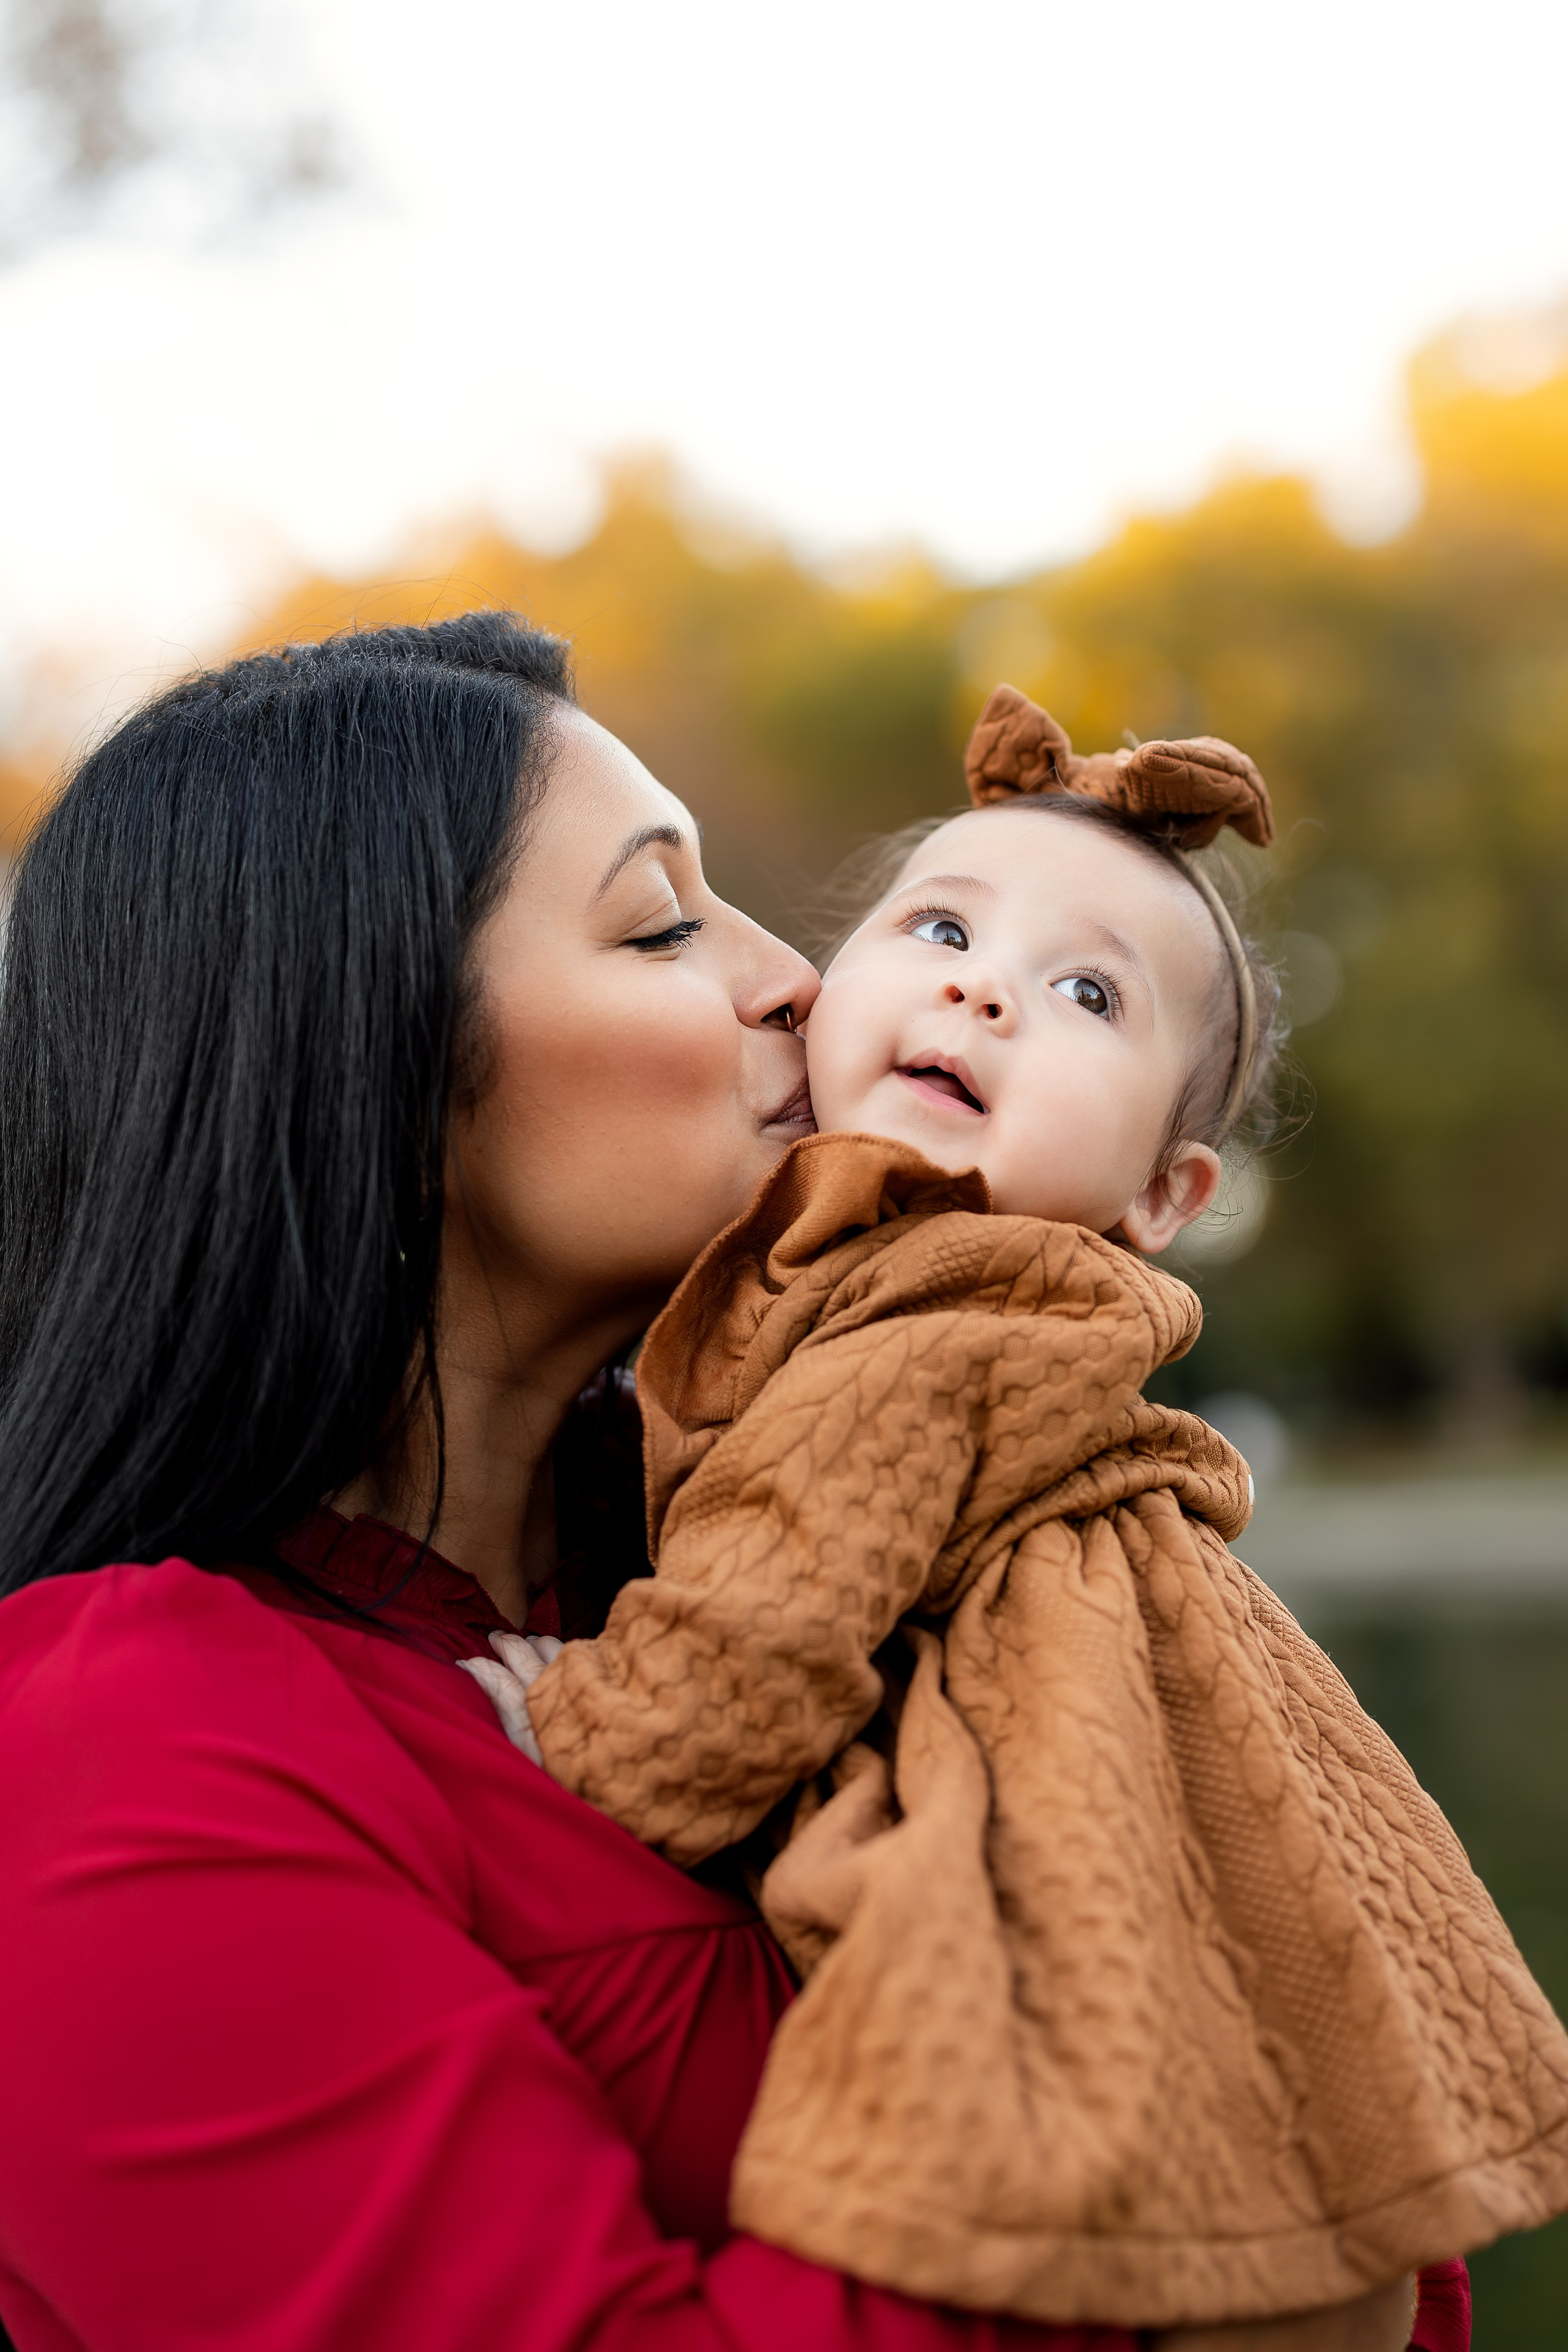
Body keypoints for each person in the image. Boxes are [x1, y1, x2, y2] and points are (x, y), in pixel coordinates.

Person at [0, 620, 1464, 2352]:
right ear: (364, 1060)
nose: (802, 982)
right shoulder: (118, 1743)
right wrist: (1222, 2227)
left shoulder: (832, 1558)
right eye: (661, 922)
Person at [458, 692, 1566, 2341]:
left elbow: (776, 1609)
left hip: (1127, 1990)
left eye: (1087, 993)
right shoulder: (903, 1288)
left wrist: (580, 1733)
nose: (985, 987)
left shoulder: (930, 1305)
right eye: (944, 927)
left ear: (1164, 1200)